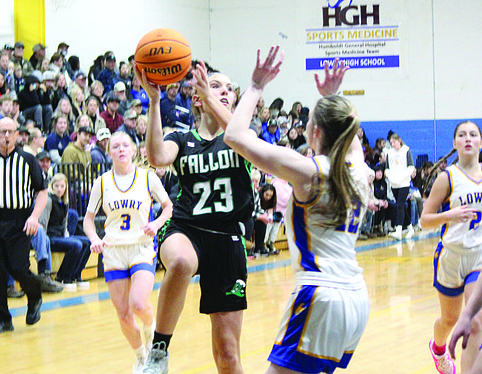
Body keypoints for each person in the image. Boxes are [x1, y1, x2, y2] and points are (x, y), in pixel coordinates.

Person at [223, 51, 371, 374]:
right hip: (356, 297)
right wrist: (332, 98)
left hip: (320, 293)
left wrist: (255, 86)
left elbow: (234, 136)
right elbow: (348, 130)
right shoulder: (359, 170)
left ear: (315, 132)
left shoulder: (309, 172)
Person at [137, 62, 254, 374]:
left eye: (230, 89)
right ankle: (158, 352)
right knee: (181, 262)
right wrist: (154, 101)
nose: (225, 92)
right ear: (198, 98)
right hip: (186, 228)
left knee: (227, 355)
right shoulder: (182, 137)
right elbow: (157, 157)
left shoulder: (242, 137)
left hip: (228, 239)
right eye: (216, 86)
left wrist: (212, 95)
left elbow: (239, 135)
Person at [84, 131, 173, 373]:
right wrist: (94, 238)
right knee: (123, 314)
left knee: (138, 304)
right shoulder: (101, 182)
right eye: (116, 146)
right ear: (109, 152)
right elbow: (88, 219)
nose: (121, 149)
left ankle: (151, 325)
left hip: (141, 247)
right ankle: (141, 358)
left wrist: (155, 224)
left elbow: (168, 207)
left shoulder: (147, 178)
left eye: (126, 145)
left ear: (134, 151)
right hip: (113, 250)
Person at [421, 121, 482, 374]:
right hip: (451, 256)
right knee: (450, 320)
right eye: (462, 135)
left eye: (473, 134)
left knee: (473, 323)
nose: (468, 138)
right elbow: (424, 220)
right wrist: (451, 215)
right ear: (455, 143)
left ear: (481, 142)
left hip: (481, 256)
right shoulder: (447, 177)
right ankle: (438, 348)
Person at [0, 117, 48, 334]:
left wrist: (34, 217)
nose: (6, 136)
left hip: (19, 221)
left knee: (18, 268)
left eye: (10, 132)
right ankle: (3, 319)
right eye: (2, 132)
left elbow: (42, 192)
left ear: (17, 135)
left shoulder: (28, 160)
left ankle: (35, 294)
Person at [39, 173, 91, 291]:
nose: (59, 189)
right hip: (50, 237)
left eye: (62, 186)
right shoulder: (48, 200)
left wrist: (67, 235)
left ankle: (76, 275)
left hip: (61, 236)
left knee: (88, 242)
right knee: (76, 244)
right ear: (52, 186)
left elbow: (65, 223)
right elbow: (42, 223)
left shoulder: (64, 201)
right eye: (57, 186)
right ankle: (62, 277)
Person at [384, 134, 416, 240]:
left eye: (394, 142)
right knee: (400, 206)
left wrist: (402, 177)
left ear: (399, 141)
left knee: (400, 205)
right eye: (391, 143)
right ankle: (410, 228)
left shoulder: (406, 150)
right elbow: (387, 169)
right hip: (394, 184)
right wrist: (391, 178)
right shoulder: (389, 153)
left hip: (404, 183)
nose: (392, 145)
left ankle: (398, 230)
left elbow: (411, 166)